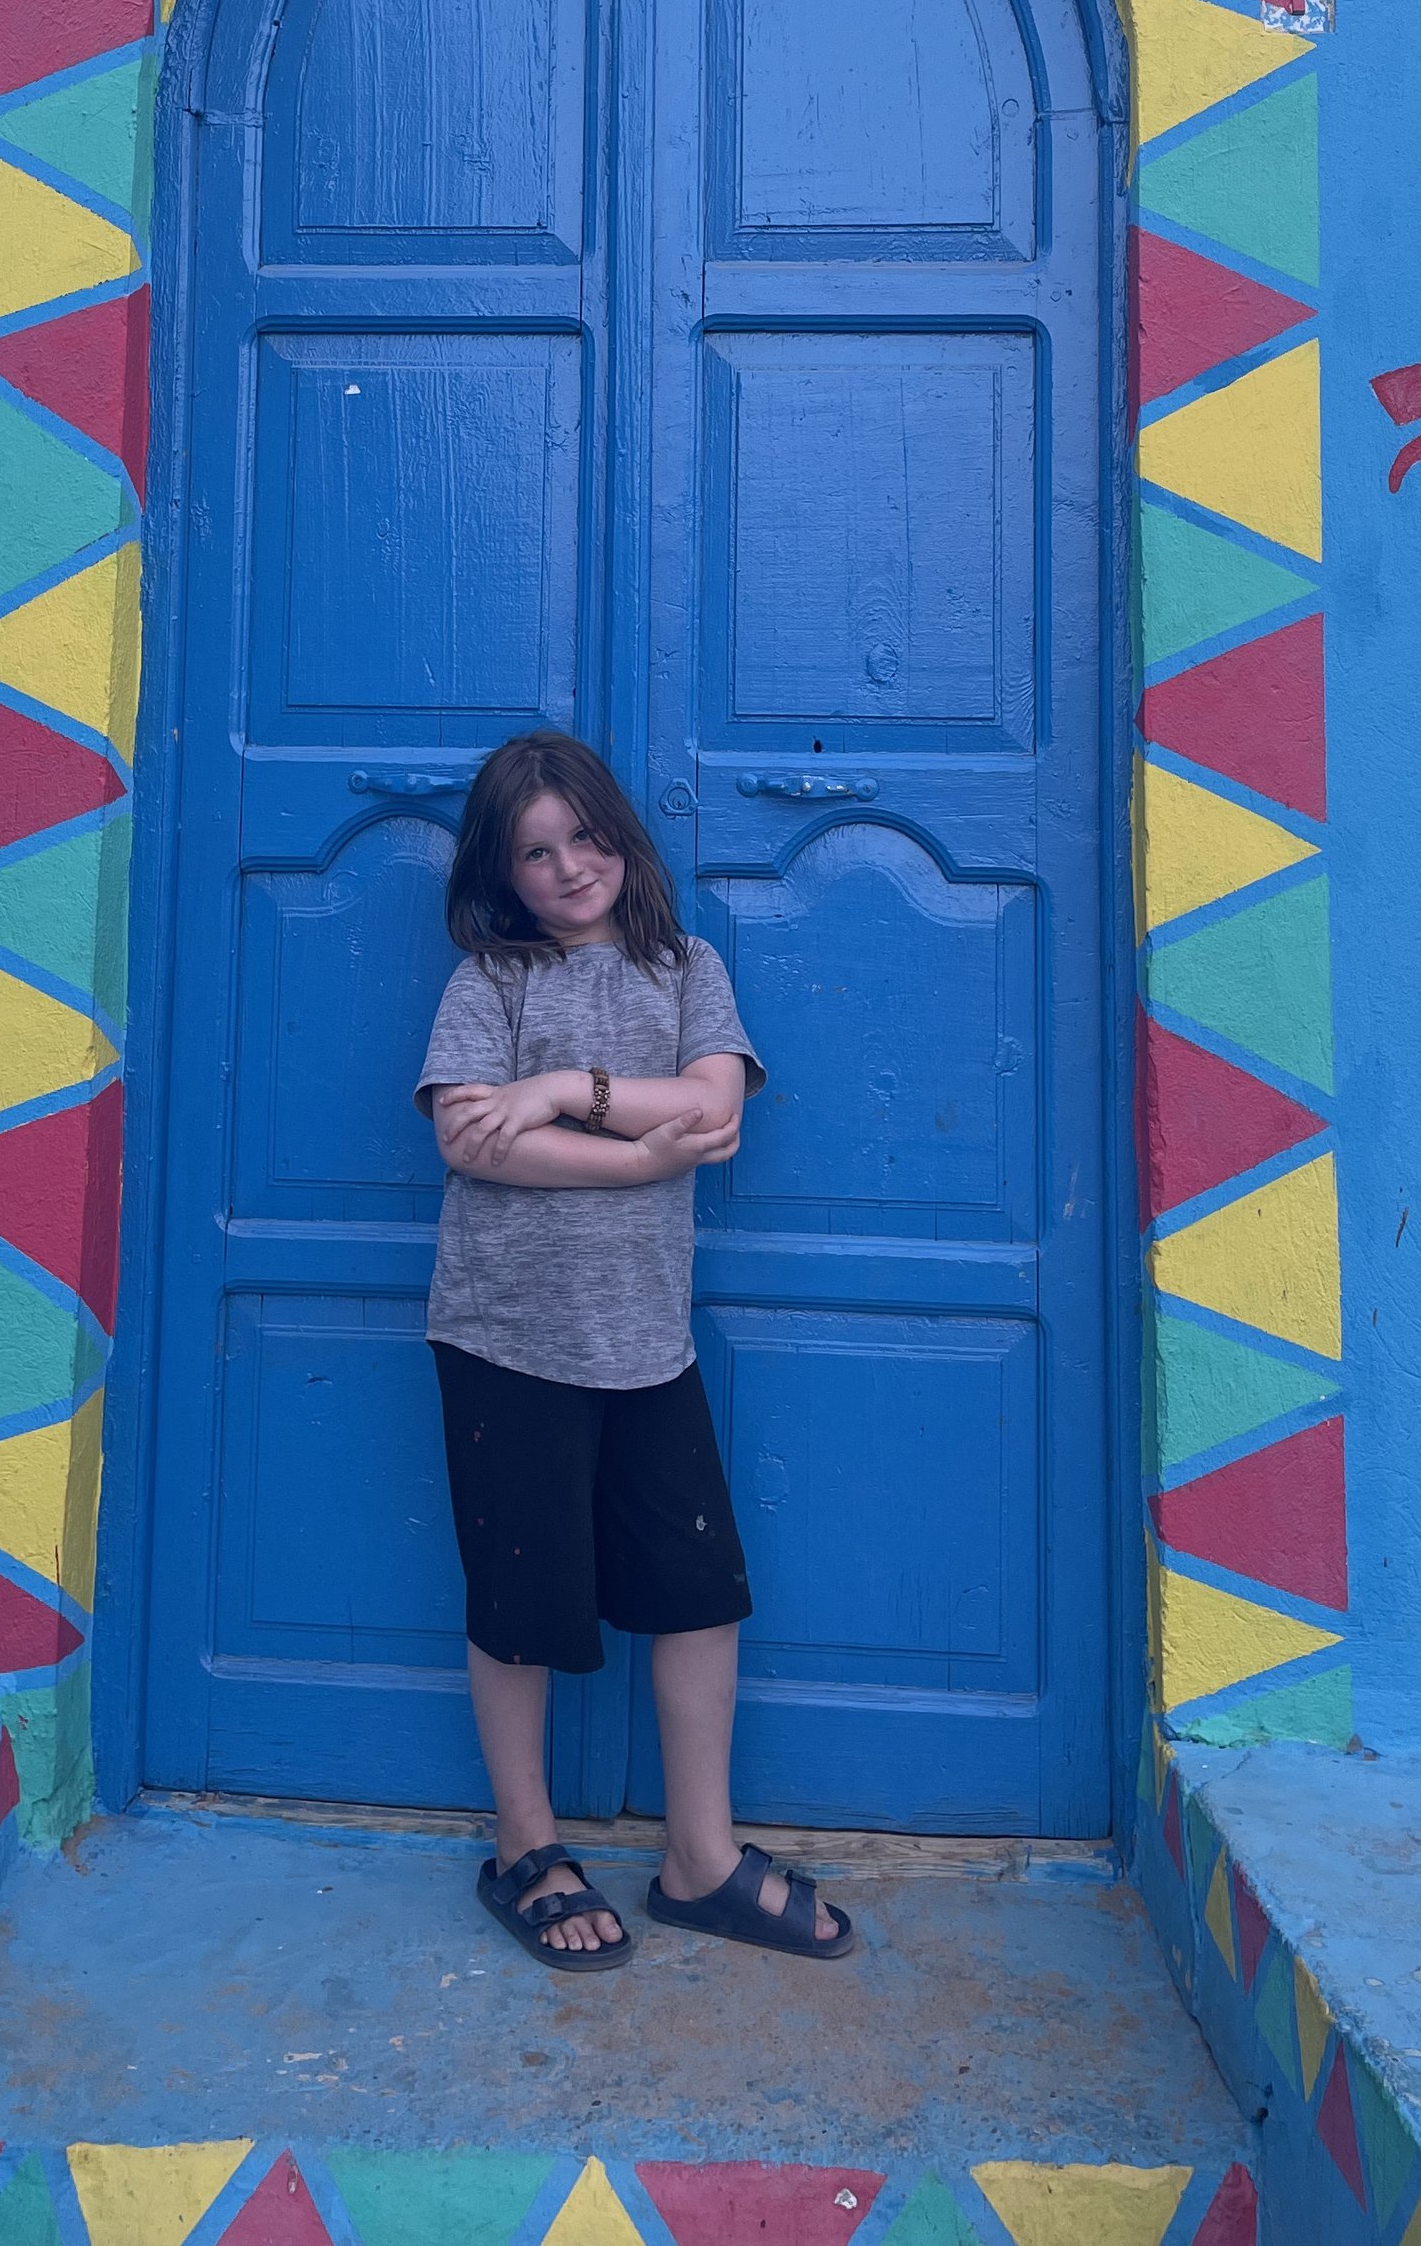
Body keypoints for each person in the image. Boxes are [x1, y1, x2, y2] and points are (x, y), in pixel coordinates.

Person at [416, 729, 857, 1973]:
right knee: (519, 1608)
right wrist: (635, 1158)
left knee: (697, 1594)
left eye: (584, 838)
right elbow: (465, 1139)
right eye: (536, 853)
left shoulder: (685, 968)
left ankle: (699, 1860)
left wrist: (560, 1093)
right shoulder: (489, 982)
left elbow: (713, 1106)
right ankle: (526, 1847)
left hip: (645, 1347)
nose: (567, 869)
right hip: (504, 1339)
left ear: (619, 833)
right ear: (504, 876)